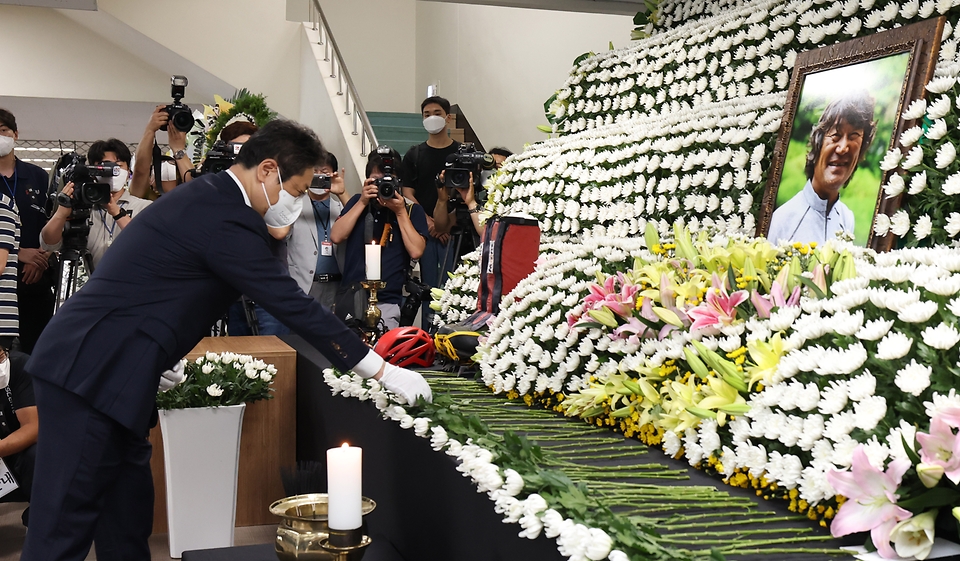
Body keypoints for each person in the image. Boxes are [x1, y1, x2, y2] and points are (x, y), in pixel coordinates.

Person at [22, 119, 431, 561]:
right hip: (92, 371)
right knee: (63, 527)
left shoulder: (211, 197)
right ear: (267, 169)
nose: (293, 203)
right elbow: (291, 303)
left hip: (118, 366)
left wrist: (158, 349)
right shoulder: (226, 213)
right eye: (294, 190)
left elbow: (149, 276)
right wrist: (381, 370)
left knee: (127, 519)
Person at [332, 150, 428, 330]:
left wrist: (399, 212)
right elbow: (336, 236)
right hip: (352, 298)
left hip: (388, 301)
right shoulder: (357, 202)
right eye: (376, 181)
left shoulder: (411, 211)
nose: (383, 186)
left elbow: (416, 250)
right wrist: (362, 202)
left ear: (399, 182)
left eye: (388, 181)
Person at [767, 92, 876, 245]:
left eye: (853, 136)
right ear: (818, 144)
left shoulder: (847, 219)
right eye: (836, 136)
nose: (843, 148)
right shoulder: (781, 221)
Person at [40, 139, 152, 271]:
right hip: (90, 286)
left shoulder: (145, 207)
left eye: (118, 165)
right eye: (103, 166)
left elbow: (149, 242)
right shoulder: (80, 207)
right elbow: (48, 243)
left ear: (128, 172)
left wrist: (117, 212)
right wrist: (61, 211)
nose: (111, 171)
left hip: (132, 285)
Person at [401, 97, 460, 327]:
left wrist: (447, 223)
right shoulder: (414, 155)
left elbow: (470, 193)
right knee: (427, 288)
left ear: (448, 117)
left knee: (452, 288)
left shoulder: (460, 153)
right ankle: (427, 337)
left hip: (454, 234)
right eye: (426, 114)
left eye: (437, 112)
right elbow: (407, 192)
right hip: (425, 232)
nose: (431, 117)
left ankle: (450, 335)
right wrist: (430, 223)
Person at [0, 109, 54, 353]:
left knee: (38, 353)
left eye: (3, 131)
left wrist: (42, 256)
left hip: (37, 279)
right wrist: (19, 253)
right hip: (4, 284)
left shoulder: (38, 176)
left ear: (15, 134)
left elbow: (55, 219)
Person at [286, 151, 349, 310]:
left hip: (337, 285)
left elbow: (359, 225)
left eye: (325, 173)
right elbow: (282, 235)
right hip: (304, 285)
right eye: (315, 172)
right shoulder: (295, 206)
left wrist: (342, 193)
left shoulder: (341, 207)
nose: (319, 178)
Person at [0, 350, 39, 527]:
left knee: (38, 453)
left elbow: (34, 427)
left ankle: (43, 514)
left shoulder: (19, 365)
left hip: (17, 455)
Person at [130, 106, 196, 199]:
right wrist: (150, 130)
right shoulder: (143, 198)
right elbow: (140, 171)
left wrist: (178, 149)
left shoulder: (186, 198)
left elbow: (196, 185)